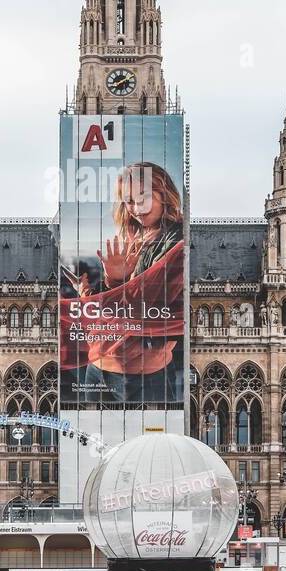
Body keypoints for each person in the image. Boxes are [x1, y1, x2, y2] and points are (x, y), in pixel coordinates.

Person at [62, 161, 185, 404]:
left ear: (164, 194)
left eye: (143, 197)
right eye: (129, 201)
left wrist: (98, 296)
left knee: (147, 441)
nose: (136, 208)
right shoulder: (134, 235)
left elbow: (145, 306)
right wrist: (107, 283)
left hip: (142, 374)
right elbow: (120, 302)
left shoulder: (177, 243)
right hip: (98, 368)